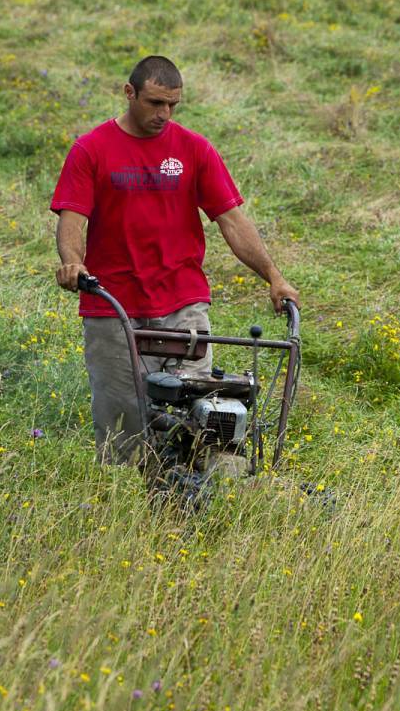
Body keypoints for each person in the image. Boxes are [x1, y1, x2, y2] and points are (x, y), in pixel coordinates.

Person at [50, 55, 299, 465]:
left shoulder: (193, 149)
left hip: (183, 306)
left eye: (172, 105)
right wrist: (73, 264)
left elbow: (232, 220)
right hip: (112, 305)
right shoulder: (91, 149)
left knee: (200, 413)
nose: (164, 114)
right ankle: (127, 495)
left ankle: (197, 491)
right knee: (124, 427)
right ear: (129, 93)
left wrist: (274, 276)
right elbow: (72, 219)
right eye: (155, 103)